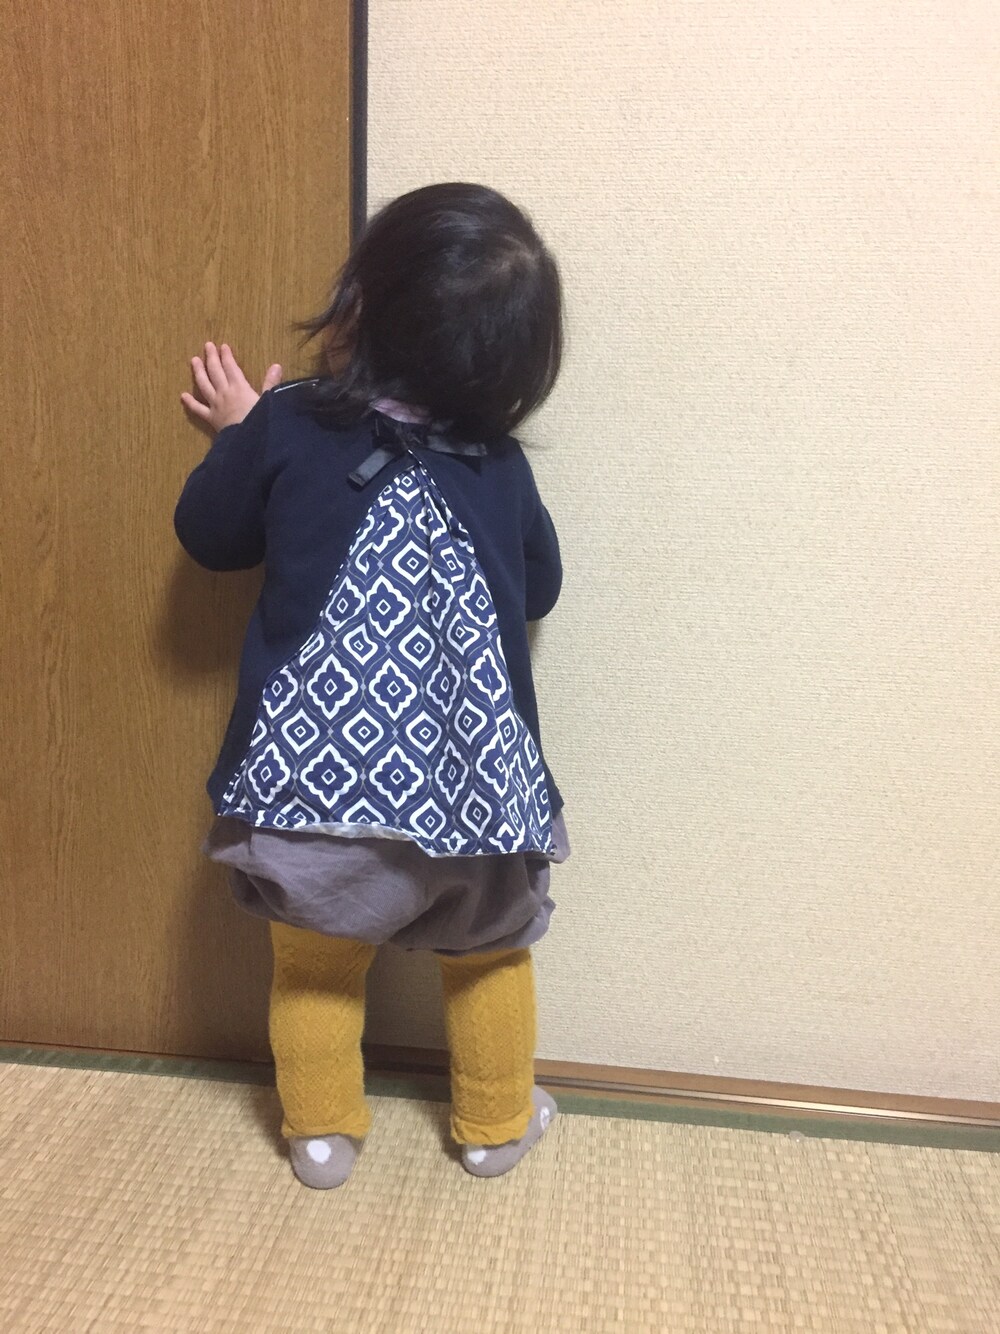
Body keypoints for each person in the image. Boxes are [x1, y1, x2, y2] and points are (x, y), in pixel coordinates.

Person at [175, 183, 567, 1189]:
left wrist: (242, 433)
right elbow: (542, 588)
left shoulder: (289, 424)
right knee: (488, 959)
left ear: (355, 307)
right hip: (476, 793)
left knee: (314, 963)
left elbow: (211, 536)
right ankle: (493, 1127)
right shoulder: (498, 466)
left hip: (317, 782)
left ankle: (321, 1135)